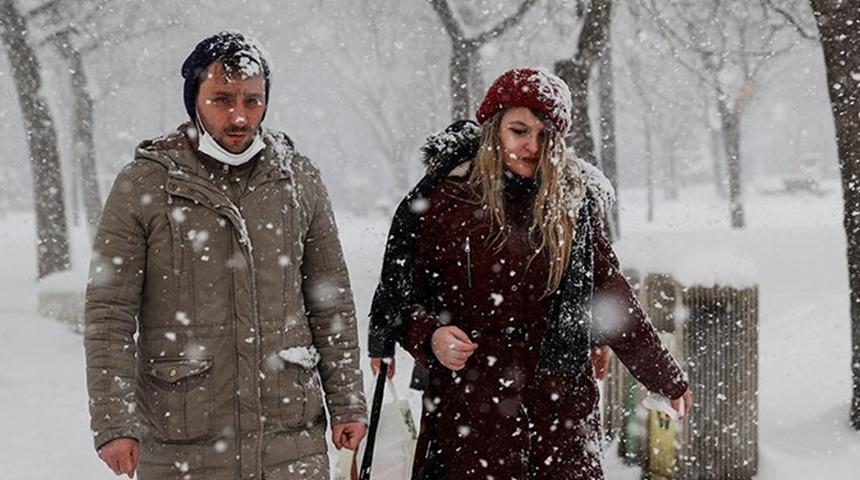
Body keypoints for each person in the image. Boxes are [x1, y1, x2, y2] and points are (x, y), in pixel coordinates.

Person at [368, 67, 691, 479]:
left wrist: (663, 376)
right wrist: (431, 337)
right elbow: (399, 300)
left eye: (545, 136)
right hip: (472, 414)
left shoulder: (573, 204)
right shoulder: (446, 201)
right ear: (493, 129)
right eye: (519, 131)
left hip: (560, 416)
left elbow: (610, 294)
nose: (532, 147)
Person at [84, 31, 367, 480]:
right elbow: (109, 314)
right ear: (193, 100)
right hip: (183, 443)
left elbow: (330, 301)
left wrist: (347, 401)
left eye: (252, 101)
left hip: (289, 443)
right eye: (222, 99)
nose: (239, 116)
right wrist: (114, 423)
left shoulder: (299, 181)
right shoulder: (143, 185)